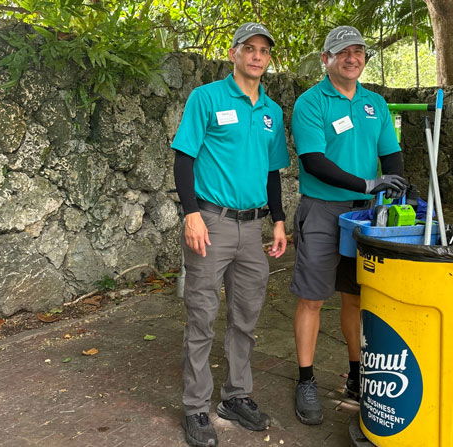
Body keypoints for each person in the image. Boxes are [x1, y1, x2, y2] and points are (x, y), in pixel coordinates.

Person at [171, 22, 290, 447]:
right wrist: (191, 214)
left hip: (252, 226)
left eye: (264, 50)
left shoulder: (271, 111)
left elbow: (273, 171)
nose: (257, 56)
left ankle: (236, 397)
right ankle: (195, 407)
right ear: (234, 53)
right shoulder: (207, 97)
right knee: (201, 316)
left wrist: (277, 220)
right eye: (250, 48)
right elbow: (184, 159)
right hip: (212, 222)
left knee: (246, 318)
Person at [290, 25, 408, 425]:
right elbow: (313, 160)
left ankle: (357, 376)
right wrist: (367, 183)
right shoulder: (311, 102)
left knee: (356, 297)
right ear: (327, 59)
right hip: (323, 209)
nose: (352, 58)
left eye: (358, 51)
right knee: (312, 296)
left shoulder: (376, 103)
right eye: (343, 52)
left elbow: (390, 153)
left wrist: (392, 185)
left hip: (366, 215)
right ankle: (305, 379)